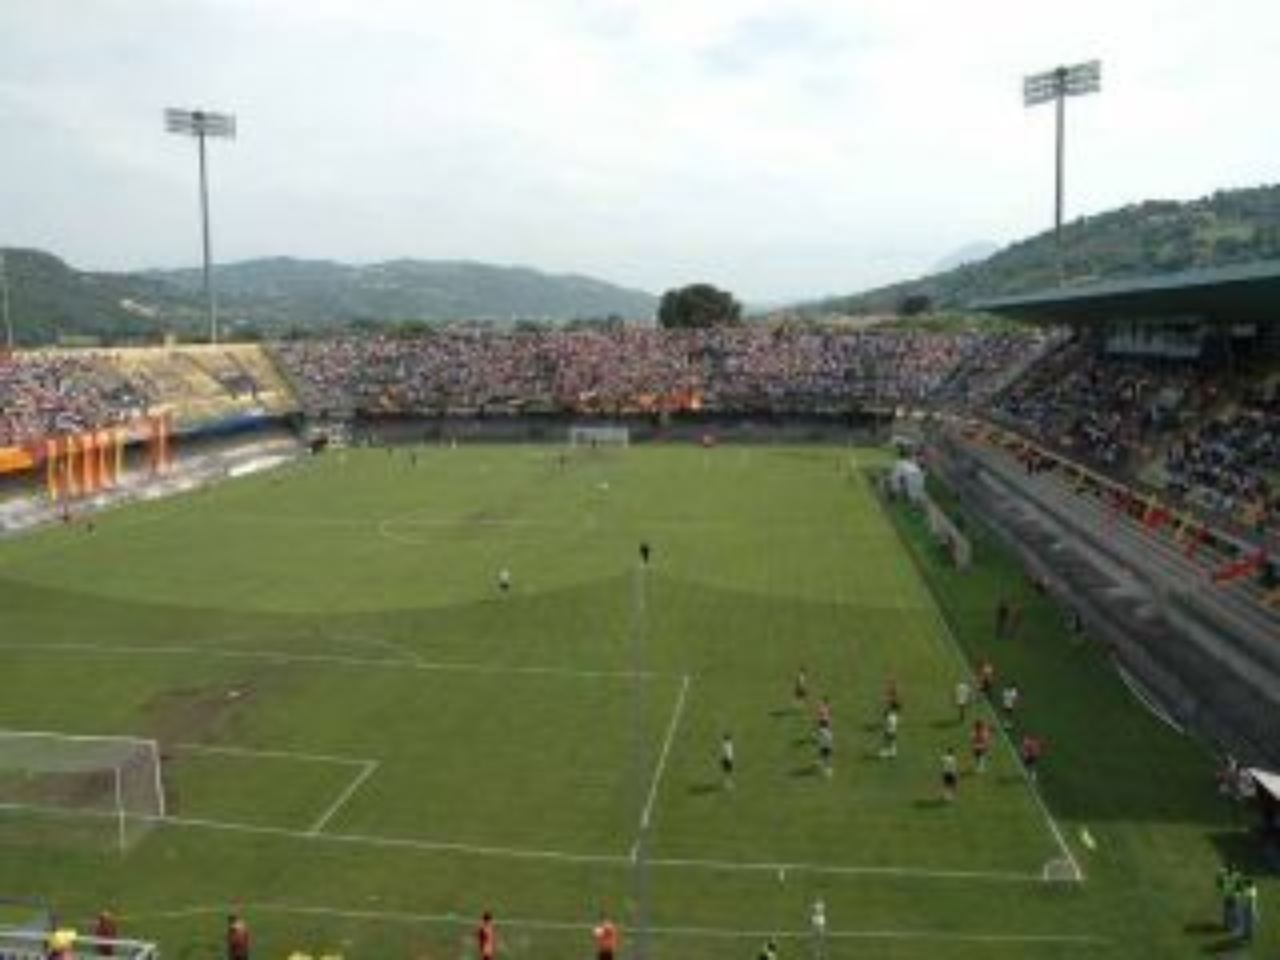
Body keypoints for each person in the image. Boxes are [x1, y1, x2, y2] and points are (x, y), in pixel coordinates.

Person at [1217, 865, 1239, 933]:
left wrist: (1220, 889)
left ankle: (1228, 925)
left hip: (1229, 895)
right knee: (1232, 911)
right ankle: (1232, 925)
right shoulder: (1236, 876)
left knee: (1228, 911)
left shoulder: (1225, 876)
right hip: (1232, 895)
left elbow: (1220, 883)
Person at [1238, 876, 1258, 942]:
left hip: (1249, 909)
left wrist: (1246, 908)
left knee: (1249, 924)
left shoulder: (1251, 890)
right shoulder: (1251, 889)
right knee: (1245, 923)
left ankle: (1249, 936)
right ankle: (1246, 935)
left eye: (1246, 884)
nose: (1245, 885)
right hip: (1247, 908)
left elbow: (1250, 900)